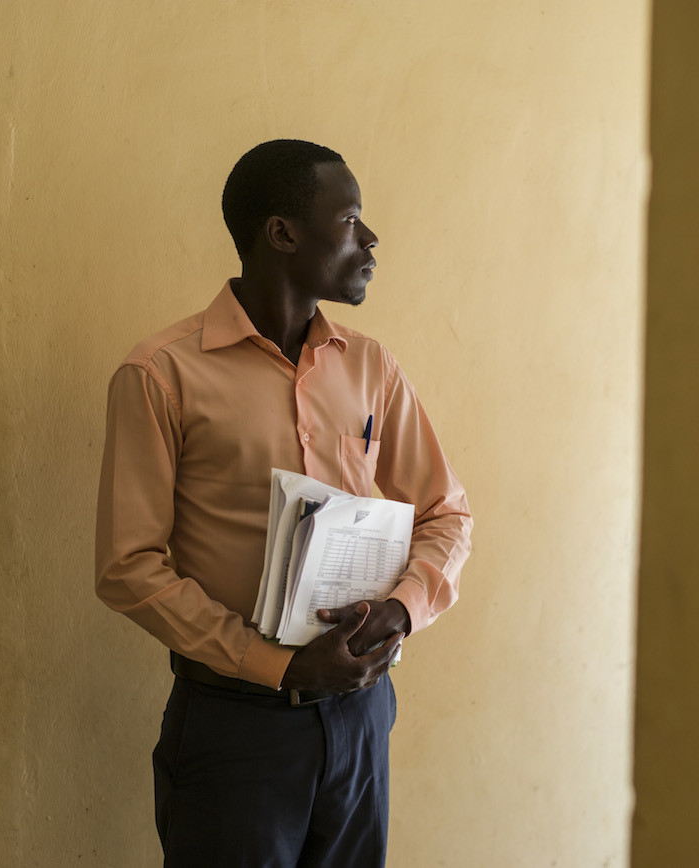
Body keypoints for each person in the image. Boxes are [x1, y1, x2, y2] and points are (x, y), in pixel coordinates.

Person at [95, 139, 472, 867]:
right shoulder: (161, 374)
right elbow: (127, 566)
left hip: (361, 715)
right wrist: (272, 664)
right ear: (282, 233)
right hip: (236, 729)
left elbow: (445, 513)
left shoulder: (371, 367)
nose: (370, 239)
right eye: (350, 219)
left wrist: (402, 610)